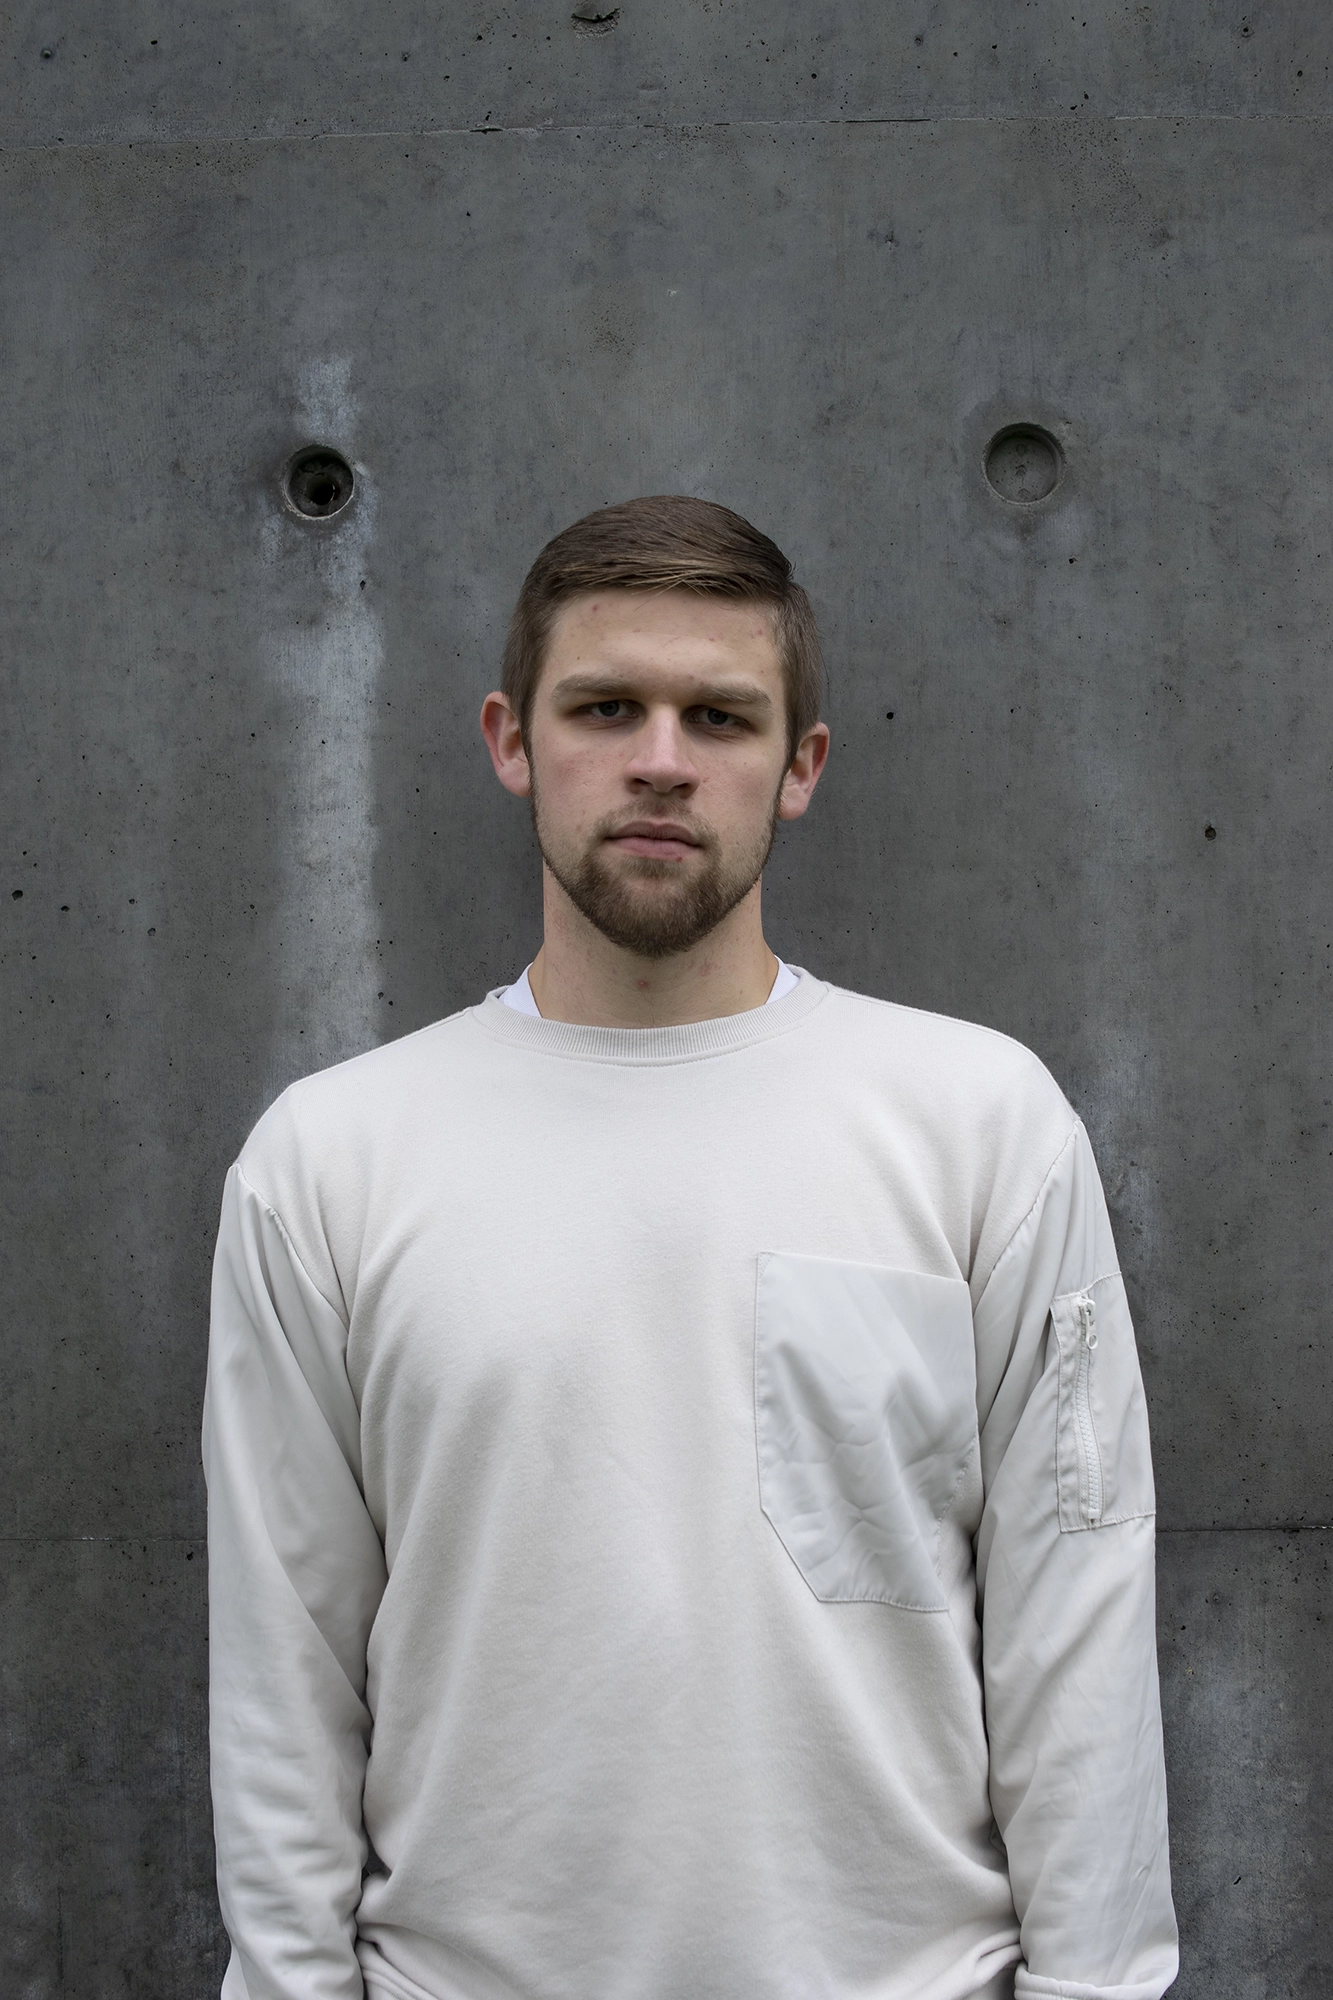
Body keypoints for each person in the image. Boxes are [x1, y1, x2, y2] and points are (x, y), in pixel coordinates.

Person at [204, 495, 1178, 2000]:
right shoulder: (331, 1165)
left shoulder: (980, 1127)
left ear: (800, 768)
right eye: (607, 707)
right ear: (510, 741)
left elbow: (1077, 1635)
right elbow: (285, 1683)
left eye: (720, 716)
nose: (662, 758)